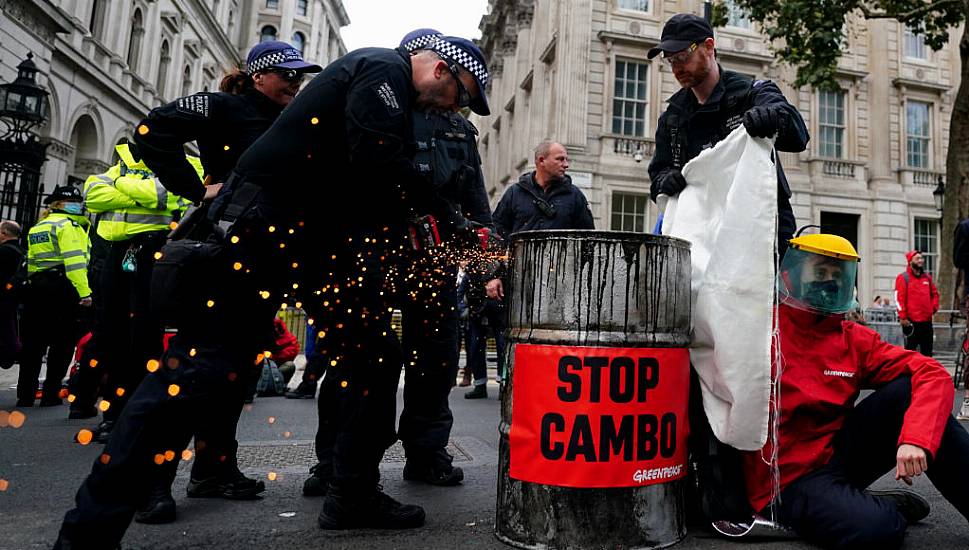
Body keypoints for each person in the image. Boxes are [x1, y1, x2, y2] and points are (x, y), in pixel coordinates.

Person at [54, 33, 488, 546]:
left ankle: (353, 493)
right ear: (441, 69)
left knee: (372, 354)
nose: (457, 107)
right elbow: (379, 164)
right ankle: (91, 529)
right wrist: (448, 217)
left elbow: (364, 181)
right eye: (461, 93)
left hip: (308, 235)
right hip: (261, 229)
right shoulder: (380, 69)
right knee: (202, 367)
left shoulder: (387, 88)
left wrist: (447, 224)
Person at [53, 43, 322, 544]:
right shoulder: (224, 107)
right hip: (218, 255)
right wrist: (197, 187)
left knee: (233, 373)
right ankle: (154, 483)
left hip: (263, 261)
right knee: (191, 375)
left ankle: (215, 469)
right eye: (286, 74)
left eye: (299, 76)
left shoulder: (296, 117)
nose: (294, 83)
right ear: (257, 76)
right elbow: (152, 130)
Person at [300, 27, 494, 500]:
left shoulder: (459, 130)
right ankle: (334, 461)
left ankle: (426, 453)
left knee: (436, 361)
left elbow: (473, 199)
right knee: (356, 362)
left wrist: (485, 261)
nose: (453, 105)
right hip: (375, 251)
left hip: (433, 259)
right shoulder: (381, 99)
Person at [738, 233, 969, 549]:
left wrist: (916, 438)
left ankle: (851, 500)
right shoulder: (761, 331)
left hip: (835, 456)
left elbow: (931, 373)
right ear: (790, 276)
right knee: (877, 529)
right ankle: (873, 506)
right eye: (819, 272)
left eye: (838, 275)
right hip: (786, 479)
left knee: (908, 390)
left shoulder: (853, 339)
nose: (829, 282)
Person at [646, 13, 809, 257]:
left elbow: (799, 137)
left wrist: (773, 116)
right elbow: (658, 174)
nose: (677, 68)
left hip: (760, 229)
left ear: (708, 47)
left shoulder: (752, 93)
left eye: (682, 56)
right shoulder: (672, 117)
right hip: (701, 235)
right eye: (670, 61)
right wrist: (664, 180)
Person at [79, 142, 195, 441]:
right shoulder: (117, 168)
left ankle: (140, 412)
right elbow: (93, 195)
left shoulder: (186, 163)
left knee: (144, 336)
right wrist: (136, 190)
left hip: (154, 251)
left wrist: (118, 186)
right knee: (112, 335)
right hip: (117, 254)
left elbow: (165, 195)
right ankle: (114, 414)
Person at [467, 140, 594, 399]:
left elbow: (587, 240)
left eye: (566, 159)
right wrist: (492, 276)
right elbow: (495, 237)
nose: (566, 164)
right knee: (514, 337)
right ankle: (514, 387)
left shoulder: (575, 197)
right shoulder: (514, 194)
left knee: (554, 339)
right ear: (541, 161)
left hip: (559, 286)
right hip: (517, 282)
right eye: (560, 159)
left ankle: (548, 391)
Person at [17, 186, 92, 408]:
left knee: (33, 344)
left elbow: (31, 261)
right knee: (62, 344)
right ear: (60, 204)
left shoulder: (39, 226)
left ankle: (25, 394)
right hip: (63, 290)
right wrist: (85, 292)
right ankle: (50, 394)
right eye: (75, 201)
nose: (79, 204)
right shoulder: (70, 226)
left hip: (37, 289)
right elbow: (75, 262)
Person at [894, 250, 939, 357]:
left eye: (921, 258)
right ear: (910, 261)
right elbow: (899, 298)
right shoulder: (903, 278)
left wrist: (933, 308)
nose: (921, 261)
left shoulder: (927, 278)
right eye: (917, 258)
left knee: (927, 353)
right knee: (910, 353)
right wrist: (903, 317)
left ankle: (926, 373)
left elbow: (935, 294)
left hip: (927, 322)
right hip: (911, 323)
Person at [0, 220, 23, 370]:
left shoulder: (3, 252)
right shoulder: (22, 252)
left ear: (4, 233)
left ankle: (10, 352)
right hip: (14, 299)